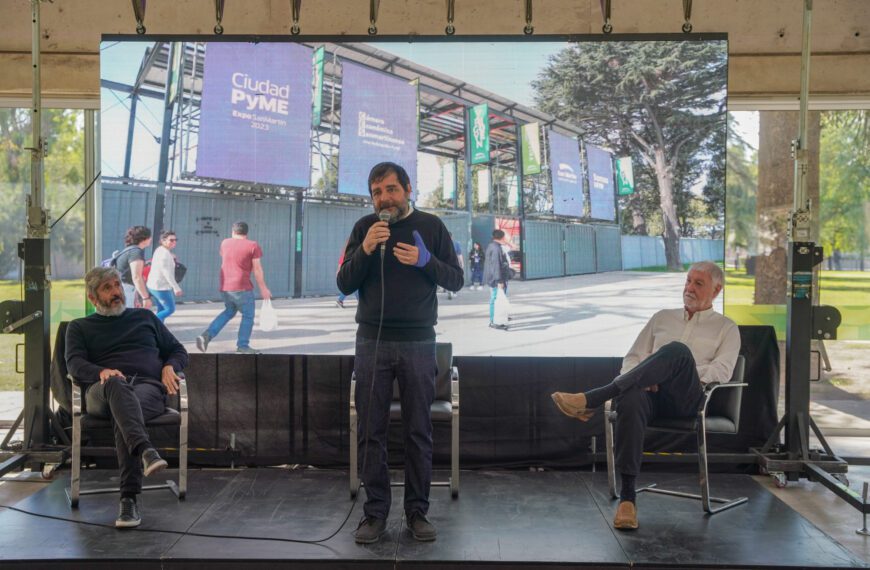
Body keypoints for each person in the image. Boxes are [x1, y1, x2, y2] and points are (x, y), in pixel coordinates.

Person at [551, 261, 740, 531]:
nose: (689, 288)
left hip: (688, 400)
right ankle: (628, 499)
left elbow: (722, 370)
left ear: (717, 290)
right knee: (631, 396)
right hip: (652, 398)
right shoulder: (662, 317)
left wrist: (666, 373)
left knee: (677, 351)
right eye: (688, 281)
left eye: (698, 283)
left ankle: (593, 399)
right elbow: (633, 359)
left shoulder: (726, 327)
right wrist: (645, 376)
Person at [337, 162, 463, 545]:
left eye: (391, 189)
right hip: (372, 342)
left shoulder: (432, 227)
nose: (384, 198)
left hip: (419, 342)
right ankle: (374, 515)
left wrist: (426, 262)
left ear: (408, 189)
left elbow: (456, 279)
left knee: (418, 430)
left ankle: (417, 512)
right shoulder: (364, 229)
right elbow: (344, 282)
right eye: (376, 192)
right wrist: (366, 248)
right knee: (371, 432)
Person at [65, 266, 188, 528]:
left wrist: (169, 366)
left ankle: (129, 500)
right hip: (103, 390)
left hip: (146, 388)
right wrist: (102, 372)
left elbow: (178, 350)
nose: (116, 292)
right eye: (107, 288)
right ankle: (145, 450)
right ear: (93, 298)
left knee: (126, 415)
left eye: (117, 285)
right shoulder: (79, 327)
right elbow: (74, 364)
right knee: (117, 386)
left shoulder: (145, 317)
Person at [196, 221, 271, 354]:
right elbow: (257, 269)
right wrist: (263, 288)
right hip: (242, 287)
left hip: (225, 287)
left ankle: (206, 335)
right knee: (248, 315)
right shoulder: (253, 245)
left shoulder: (225, 243)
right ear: (246, 233)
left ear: (233, 231)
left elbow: (226, 258)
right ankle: (243, 346)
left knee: (229, 311)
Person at [146, 230, 183, 322]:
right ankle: (151, 325)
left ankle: (158, 330)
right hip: (160, 287)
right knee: (170, 309)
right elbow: (166, 273)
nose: (174, 242)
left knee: (162, 309)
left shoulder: (161, 250)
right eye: (171, 240)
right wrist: (176, 287)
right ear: (163, 241)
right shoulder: (164, 254)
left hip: (155, 285)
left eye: (175, 240)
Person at [115, 225, 152, 310]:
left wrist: (136, 299)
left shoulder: (130, 250)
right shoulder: (136, 252)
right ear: (144, 238)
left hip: (124, 289)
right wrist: (145, 298)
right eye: (150, 237)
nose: (151, 239)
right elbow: (136, 277)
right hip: (125, 290)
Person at [483, 229, 511, 329]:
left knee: (496, 298)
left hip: (494, 277)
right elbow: (496, 265)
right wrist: (499, 281)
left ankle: (498, 319)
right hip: (495, 279)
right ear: (502, 237)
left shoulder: (493, 246)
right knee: (495, 299)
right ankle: (493, 321)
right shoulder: (496, 248)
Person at [447, 232, 464, 300]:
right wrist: (461, 263)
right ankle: (453, 291)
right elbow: (459, 254)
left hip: (446, 264)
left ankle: (450, 290)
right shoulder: (456, 244)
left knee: (448, 277)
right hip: (454, 264)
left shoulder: (443, 244)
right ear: (452, 237)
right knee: (454, 277)